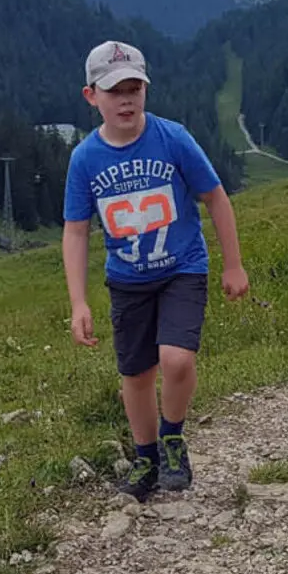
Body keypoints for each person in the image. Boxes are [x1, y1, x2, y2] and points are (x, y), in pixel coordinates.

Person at [62, 41, 249, 501]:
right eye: (114, 91)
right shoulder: (85, 159)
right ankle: (145, 455)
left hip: (183, 267)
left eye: (134, 89)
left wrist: (234, 264)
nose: (126, 100)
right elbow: (77, 231)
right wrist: (79, 301)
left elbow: (216, 197)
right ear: (92, 97)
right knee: (136, 376)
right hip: (127, 281)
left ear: (146, 89)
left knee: (177, 359)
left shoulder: (173, 138)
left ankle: (172, 438)